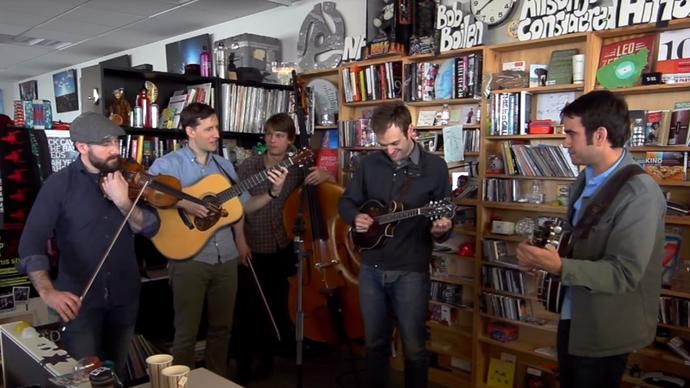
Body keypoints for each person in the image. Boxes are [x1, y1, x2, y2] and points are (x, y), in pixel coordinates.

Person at [516, 90, 666, 388]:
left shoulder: (640, 193)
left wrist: (560, 268)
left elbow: (624, 273)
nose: (565, 142)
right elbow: (578, 242)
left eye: (571, 134)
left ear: (599, 135)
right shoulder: (583, 180)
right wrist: (542, 257)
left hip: (604, 328)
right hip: (574, 314)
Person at [147, 103, 288, 377]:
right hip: (188, 257)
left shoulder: (224, 167)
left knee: (222, 329)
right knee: (186, 334)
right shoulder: (168, 165)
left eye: (216, 127)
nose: (216, 134)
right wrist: (184, 204)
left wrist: (273, 192)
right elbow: (146, 193)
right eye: (209, 128)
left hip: (226, 256)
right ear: (190, 131)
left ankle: (217, 380)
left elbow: (243, 207)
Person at [18, 112, 160, 378]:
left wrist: (123, 203)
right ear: (82, 147)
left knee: (113, 372)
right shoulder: (58, 185)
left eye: (116, 142)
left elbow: (151, 227)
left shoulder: (127, 180)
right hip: (79, 302)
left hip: (124, 297)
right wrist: (49, 293)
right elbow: (30, 244)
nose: (115, 150)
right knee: (84, 378)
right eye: (106, 144)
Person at [338, 103, 453, 387]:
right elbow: (346, 201)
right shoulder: (370, 164)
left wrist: (442, 228)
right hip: (371, 268)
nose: (389, 150)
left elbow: (444, 221)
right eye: (383, 144)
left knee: (414, 349)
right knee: (375, 344)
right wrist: (356, 218)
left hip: (411, 270)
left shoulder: (435, 167)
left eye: (395, 143)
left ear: (411, 131)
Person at [232, 112, 334, 383]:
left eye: (279, 135)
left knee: (278, 306)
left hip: (285, 243)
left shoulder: (298, 166)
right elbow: (236, 208)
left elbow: (326, 191)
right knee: (248, 310)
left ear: (290, 140)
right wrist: (240, 241)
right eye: (268, 134)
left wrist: (326, 175)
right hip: (253, 242)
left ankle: (267, 361)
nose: (272, 140)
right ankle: (243, 365)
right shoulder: (249, 166)